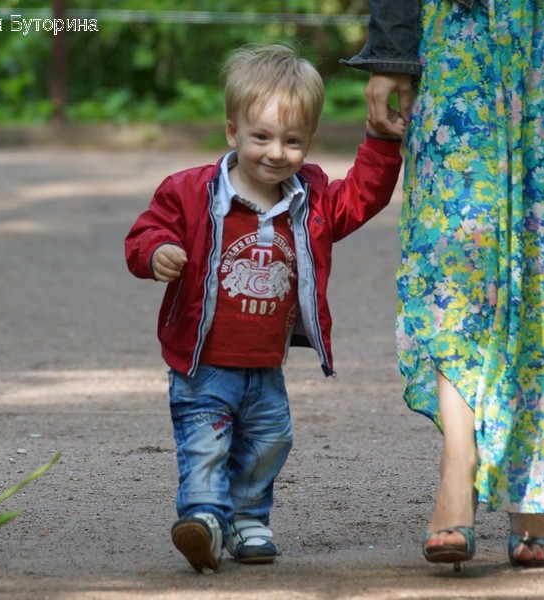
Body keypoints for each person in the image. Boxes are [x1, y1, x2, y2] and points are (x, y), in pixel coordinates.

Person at [125, 43, 403, 573]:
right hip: (202, 362)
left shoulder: (309, 199)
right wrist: (156, 251)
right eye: (262, 137)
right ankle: (204, 519)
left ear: (309, 142)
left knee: (270, 442)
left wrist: (383, 141)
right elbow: (146, 232)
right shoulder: (189, 192)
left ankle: (249, 518)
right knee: (205, 446)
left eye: (292, 141)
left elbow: (363, 197)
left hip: (266, 364)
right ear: (233, 132)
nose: (276, 153)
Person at [344, 0, 544, 569]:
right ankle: (459, 463)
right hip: (460, 33)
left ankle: (530, 483)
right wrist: (392, 51)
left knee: (543, 263)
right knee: (453, 264)